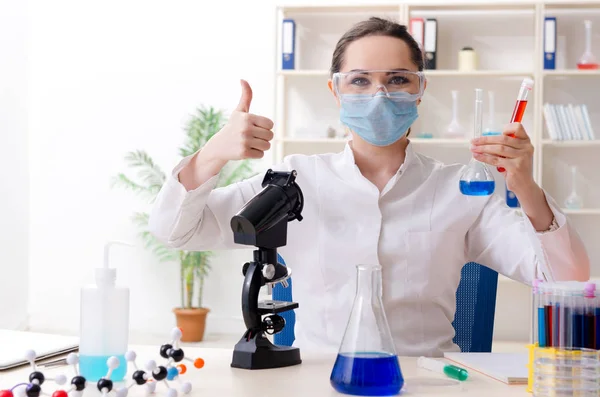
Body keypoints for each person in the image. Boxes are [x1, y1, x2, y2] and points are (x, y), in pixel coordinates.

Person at [148, 17, 589, 357]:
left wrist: (524, 183)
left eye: (398, 79)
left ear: (420, 90)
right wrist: (212, 154)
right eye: (359, 80)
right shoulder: (292, 182)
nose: (379, 94)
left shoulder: (461, 189)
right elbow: (176, 231)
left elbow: (565, 279)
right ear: (335, 92)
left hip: (429, 382)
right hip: (320, 381)